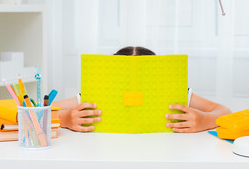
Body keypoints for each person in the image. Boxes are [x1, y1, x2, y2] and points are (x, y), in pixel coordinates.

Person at [52, 46, 231, 133]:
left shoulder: (176, 92)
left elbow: (224, 111)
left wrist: (206, 120)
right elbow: (38, 113)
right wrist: (65, 118)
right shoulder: (93, 95)